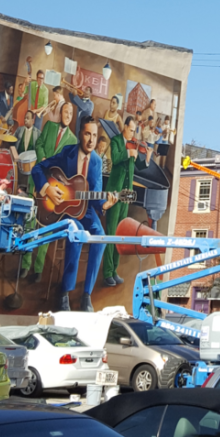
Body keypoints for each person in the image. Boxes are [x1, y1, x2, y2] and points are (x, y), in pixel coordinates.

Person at [31, 117, 117, 312]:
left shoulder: (96, 162)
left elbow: (95, 197)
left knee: (100, 237)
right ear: (80, 134)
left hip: (84, 210)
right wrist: (47, 189)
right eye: (88, 134)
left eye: (94, 136)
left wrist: (105, 205)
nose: (91, 140)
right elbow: (38, 168)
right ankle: (65, 292)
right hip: (64, 211)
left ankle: (86, 295)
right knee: (76, 233)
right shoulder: (67, 153)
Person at [100, 116, 139, 288]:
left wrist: (144, 159)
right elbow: (115, 159)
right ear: (124, 127)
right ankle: (107, 272)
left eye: (134, 131)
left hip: (126, 195)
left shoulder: (132, 144)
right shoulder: (116, 141)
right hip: (114, 193)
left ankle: (114, 270)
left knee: (120, 234)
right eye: (131, 130)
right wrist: (128, 153)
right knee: (111, 233)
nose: (132, 134)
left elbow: (135, 167)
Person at [35, 96, 77, 161]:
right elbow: (39, 143)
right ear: (60, 113)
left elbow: (68, 161)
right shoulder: (49, 125)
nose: (68, 116)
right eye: (66, 112)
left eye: (71, 114)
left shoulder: (73, 140)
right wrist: (43, 158)